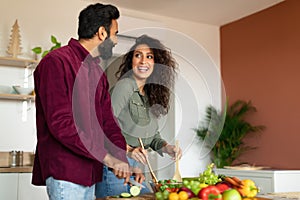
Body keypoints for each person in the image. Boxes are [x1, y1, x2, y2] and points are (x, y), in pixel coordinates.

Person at [32, 3, 133, 200]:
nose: (116, 40)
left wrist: (121, 159)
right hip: (67, 174)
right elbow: (62, 124)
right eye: (115, 34)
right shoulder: (56, 62)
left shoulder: (97, 72)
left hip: (91, 175)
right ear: (102, 33)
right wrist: (107, 158)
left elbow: (107, 123)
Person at [95, 35, 182, 198]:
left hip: (136, 167)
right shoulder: (125, 86)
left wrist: (168, 148)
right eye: (138, 55)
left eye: (149, 56)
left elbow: (151, 136)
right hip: (115, 165)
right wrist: (128, 150)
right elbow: (103, 125)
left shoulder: (150, 94)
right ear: (131, 61)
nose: (143, 61)